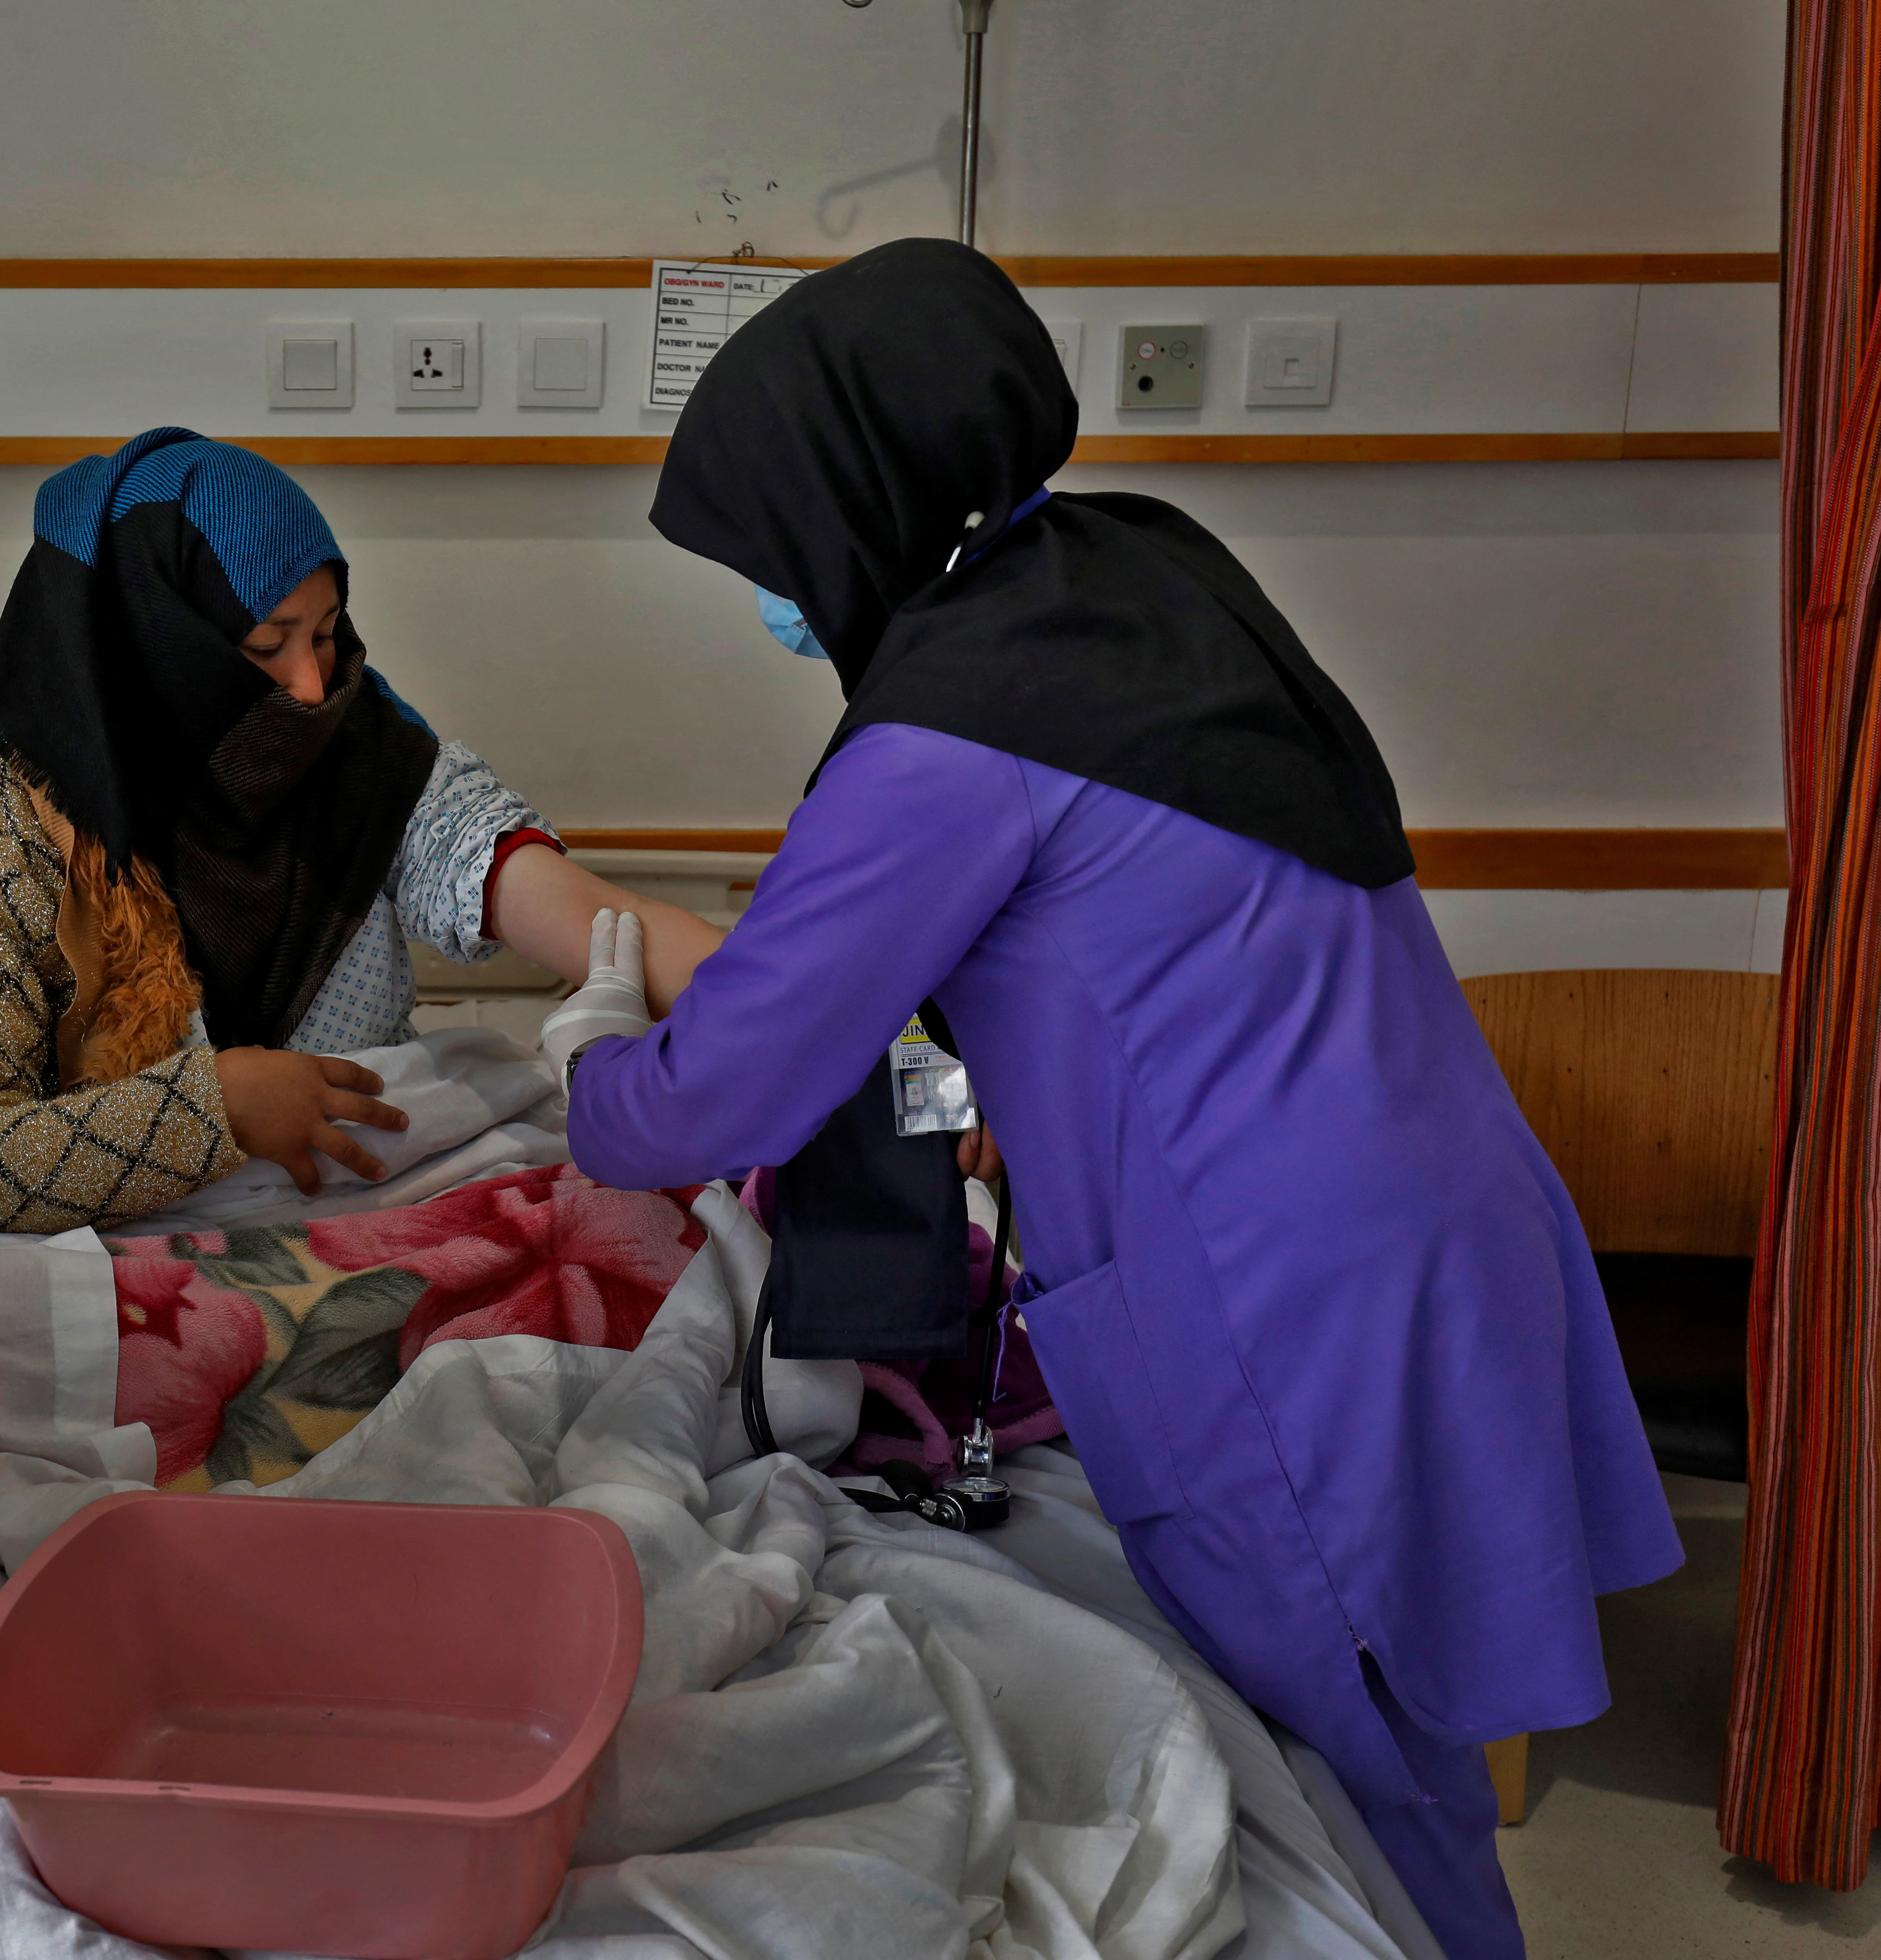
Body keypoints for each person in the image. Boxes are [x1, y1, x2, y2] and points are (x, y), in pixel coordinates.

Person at [545, 239, 1680, 1960]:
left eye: (769, 555)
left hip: (1285, 1311)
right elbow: (1126, 938)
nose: (773, 601)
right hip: (1445, 1221)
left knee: (1358, 1795)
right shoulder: (1140, 571)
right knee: (1411, 1744)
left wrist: (585, 1069)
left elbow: (720, 1085)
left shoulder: (943, 741)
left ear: (854, 497)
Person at [0, 427, 723, 1233]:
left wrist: (789, 1015)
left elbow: (591, 917)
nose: (312, 687)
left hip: (376, 1200)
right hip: (117, 1248)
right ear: (158, 643)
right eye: (269, 644)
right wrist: (210, 1110)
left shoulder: (357, 748)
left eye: (326, 632)